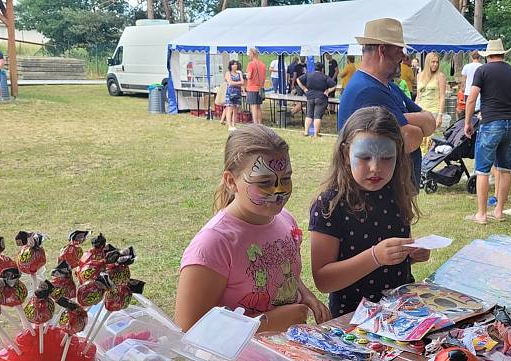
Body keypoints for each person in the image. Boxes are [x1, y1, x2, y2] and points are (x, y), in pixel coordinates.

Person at [175, 125, 330, 333]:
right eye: (264, 182)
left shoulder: (285, 220)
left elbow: (281, 270)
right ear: (231, 181)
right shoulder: (214, 244)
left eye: (286, 178)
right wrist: (267, 322)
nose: (279, 190)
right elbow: (188, 329)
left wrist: (306, 294)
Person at [310, 106, 429, 317]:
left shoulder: (395, 193)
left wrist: (410, 253)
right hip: (353, 317)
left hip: (400, 312)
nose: (375, 167)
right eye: (364, 157)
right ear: (346, 154)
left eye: (386, 158)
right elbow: (323, 280)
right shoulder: (329, 204)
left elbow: (392, 255)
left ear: (398, 154)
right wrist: (375, 256)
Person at [337, 18, 437, 188]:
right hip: (376, 195)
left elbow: (431, 122)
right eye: (399, 50)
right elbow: (412, 138)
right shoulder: (368, 91)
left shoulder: (388, 87)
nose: (403, 56)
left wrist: (403, 119)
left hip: (390, 192)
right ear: (382, 50)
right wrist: (414, 123)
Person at [463, 39, 511, 225]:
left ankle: (481, 214)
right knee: (505, 169)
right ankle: (499, 211)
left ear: (488, 56)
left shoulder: (482, 70)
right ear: (504, 54)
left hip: (491, 122)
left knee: (482, 170)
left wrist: (467, 122)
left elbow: (472, 99)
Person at [297, 62, 337, 137]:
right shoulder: (324, 77)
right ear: (322, 69)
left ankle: (306, 132)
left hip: (310, 97)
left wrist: (304, 88)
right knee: (317, 116)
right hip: (321, 98)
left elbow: (298, 79)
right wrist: (328, 91)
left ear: (314, 68)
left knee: (309, 115)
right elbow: (334, 85)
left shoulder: (309, 75)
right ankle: (316, 134)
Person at [416, 52, 447, 129]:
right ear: (427, 62)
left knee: (431, 138)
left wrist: (440, 115)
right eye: (433, 62)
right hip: (420, 110)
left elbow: (442, 96)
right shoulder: (419, 76)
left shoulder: (440, 76)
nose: (435, 64)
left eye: (437, 62)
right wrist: (414, 110)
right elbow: (418, 96)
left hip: (433, 111)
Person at [245, 48, 267, 124]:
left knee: (253, 107)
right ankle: (260, 123)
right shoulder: (262, 64)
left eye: (249, 54)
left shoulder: (251, 64)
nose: (248, 56)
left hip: (252, 88)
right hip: (260, 88)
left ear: (252, 54)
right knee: (258, 107)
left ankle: (255, 124)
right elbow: (264, 76)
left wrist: (245, 75)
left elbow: (249, 76)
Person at [223, 60, 244, 131]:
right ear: (230, 66)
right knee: (229, 109)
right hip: (230, 93)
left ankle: (234, 124)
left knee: (236, 110)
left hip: (237, 93)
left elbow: (242, 82)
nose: (235, 66)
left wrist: (236, 83)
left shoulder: (239, 73)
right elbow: (230, 83)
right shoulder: (228, 73)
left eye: (236, 64)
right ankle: (229, 125)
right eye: (233, 65)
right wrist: (238, 83)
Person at [460, 51, 483, 115]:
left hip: (468, 91)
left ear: (471, 57)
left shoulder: (466, 66)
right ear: (479, 57)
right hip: (479, 92)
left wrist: (463, 88)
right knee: (478, 111)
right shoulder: (482, 66)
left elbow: (463, 80)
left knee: (469, 110)